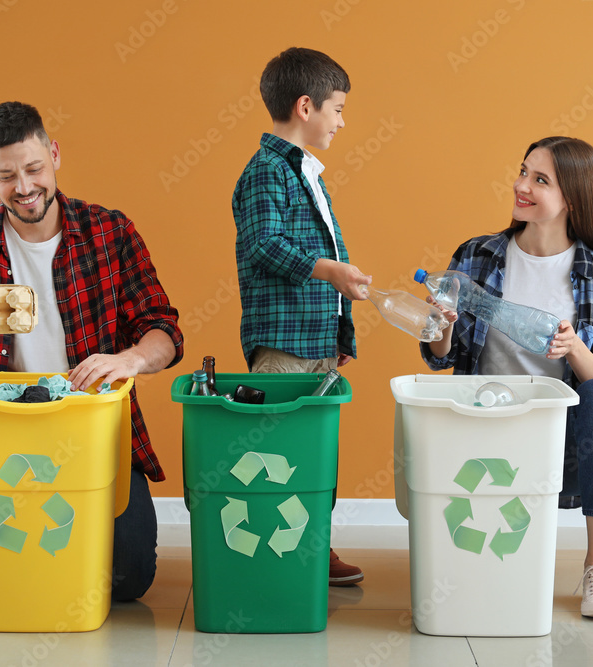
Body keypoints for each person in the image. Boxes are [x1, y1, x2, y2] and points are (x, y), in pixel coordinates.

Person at [0, 101, 183, 601]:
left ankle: (44, 519)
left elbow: (164, 331)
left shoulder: (110, 232)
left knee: (127, 579)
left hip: (91, 428)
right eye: (7, 176)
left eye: (34, 169)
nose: (24, 187)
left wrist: (129, 359)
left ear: (55, 155)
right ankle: (13, 516)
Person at [420, 136, 593, 618]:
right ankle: (464, 562)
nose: (521, 185)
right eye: (524, 172)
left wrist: (574, 346)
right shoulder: (478, 255)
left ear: (572, 199)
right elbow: (442, 359)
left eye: (540, 180)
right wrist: (440, 324)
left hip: (556, 431)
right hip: (480, 414)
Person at [232, 47, 371, 586]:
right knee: (276, 456)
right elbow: (263, 244)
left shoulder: (306, 173)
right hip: (282, 344)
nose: (342, 121)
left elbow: (324, 248)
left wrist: (337, 333)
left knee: (314, 456)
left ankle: (311, 546)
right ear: (306, 106)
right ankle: (271, 555)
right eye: (338, 109)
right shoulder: (266, 172)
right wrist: (330, 271)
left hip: (315, 343)